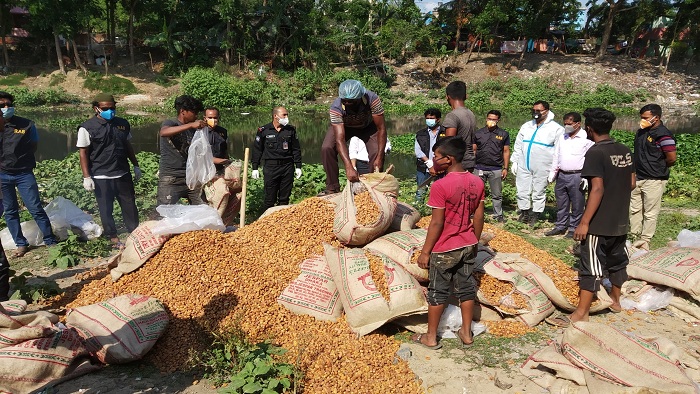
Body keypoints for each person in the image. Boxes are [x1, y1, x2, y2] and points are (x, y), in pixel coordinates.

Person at [549, 108, 635, 327]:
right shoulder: (624, 149)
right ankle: (615, 301)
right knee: (617, 262)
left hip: (600, 222)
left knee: (590, 267)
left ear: (588, 128)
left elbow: (596, 189)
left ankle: (581, 312)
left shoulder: (596, 153)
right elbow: (632, 183)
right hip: (621, 220)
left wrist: (584, 222)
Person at [413, 136, 485, 349]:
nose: (434, 160)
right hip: (468, 244)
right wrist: (475, 241)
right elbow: (479, 217)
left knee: (438, 292)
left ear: (449, 159)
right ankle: (466, 332)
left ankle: (431, 337)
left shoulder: (441, 186)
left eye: (436, 157)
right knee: (466, 289)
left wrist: (426, 252)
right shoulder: (477, 181)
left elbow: (436, 223)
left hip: (445, 247)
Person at [77, 93, 141, 248]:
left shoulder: (122, 124)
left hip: (122, 173)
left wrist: (135, 165)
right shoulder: (87, 127)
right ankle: (112, 236)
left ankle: (135, 233)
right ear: (96, 108)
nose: (110, 111)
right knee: (106, 208)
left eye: (112, 108)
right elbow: (83, 152)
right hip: (101, 175)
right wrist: (87, 176)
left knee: (130, 205)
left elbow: (128, 146)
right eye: (105, 108)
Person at [0, 91, 58, 257]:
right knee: (10, 211)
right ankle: (20, 244)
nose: (6, 108)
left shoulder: (26, 124)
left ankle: (50, 240)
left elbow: (33, 145)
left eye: (8, 105)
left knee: (35, 207)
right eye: (2, 105)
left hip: (24, 173)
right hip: (3, 175)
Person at [320, 79, 386, 195]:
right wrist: (349, 167)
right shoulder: (336, 107)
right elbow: (339, 139)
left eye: (351, 101)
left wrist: (380, 157)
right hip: (345, 127)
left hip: (367, 127)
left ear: (360, 98)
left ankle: (372, 187)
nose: (347, 103)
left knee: (376, 151)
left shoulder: (372, 99)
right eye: (345, 101)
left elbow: (381, 129)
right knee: (327, 147)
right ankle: (332, 187)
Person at [629, 104, 676, 251]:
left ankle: (645, 239)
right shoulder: (641, 132)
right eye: (641, 118)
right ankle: (634, 235)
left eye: (645, 118)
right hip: (638, 176)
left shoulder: (664, 134)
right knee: (634, 208)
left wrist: (657, 167)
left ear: (656, 117)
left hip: (655, 178)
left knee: (650, 211)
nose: (642, 120)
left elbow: (671, 158)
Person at [511, 100, 564, 226]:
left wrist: (554, 169)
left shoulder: (556, 129)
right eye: (534, 110)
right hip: (524, 163)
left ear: (546, 111)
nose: (536, 113)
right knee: (522, 189)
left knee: (539, 190)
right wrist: (515, 161)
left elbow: (558, 150)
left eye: (539, 111)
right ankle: (524, 212)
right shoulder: (527, 125)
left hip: (543, 164)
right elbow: (518, 144)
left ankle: (536, 214)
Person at [545, 112, 594, 238]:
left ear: (578, 124)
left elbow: (591, 158)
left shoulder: (587, 138)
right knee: (561, 203)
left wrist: (586, 176)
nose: (567, 126)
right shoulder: (563, 137)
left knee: (577, 203)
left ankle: (573, 228)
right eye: (565, 124)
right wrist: (552, 173)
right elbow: (557, 155)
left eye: (570, 124)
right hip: (562, 174)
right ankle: (560, 226)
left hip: (577, 175)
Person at [251, 106, 302, 212]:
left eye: (287, 114)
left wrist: (298, 166)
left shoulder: (290, 130)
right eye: (284, 115)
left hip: (287, 166)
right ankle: (265, 222)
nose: (287, 117)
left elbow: (296, 149)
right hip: (271, 167)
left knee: (284, 199)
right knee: (269, 199)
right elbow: (257, 150)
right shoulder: (263, 130)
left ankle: (282, 224)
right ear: (275, 116)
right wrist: (255, 167)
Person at [157, 95, 206, 205]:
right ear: (183, 111)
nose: (196, 115)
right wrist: (190, 126)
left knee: (203, 209)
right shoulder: (171, 123)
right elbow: (164, 132)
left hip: (191, 177)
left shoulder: (193, 129)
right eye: (194, 112)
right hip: (171, 178)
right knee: (165, 213)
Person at [473, 110, 510, 222]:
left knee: (497, 194)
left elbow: (506, 151)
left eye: (494, 119)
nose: (491, 121)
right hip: (479, 167)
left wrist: (506, 168)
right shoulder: (478, 133)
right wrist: (471, 166)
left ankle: (498, 215)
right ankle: (473, 213)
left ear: (498, 120)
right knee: (476, 193)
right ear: (486, 118)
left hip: (496, 169)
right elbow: (474, 150)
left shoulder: (503, 134)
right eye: (489, 118)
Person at [443, 81, 477, 171]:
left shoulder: (453, 116)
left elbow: (449, 143)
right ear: (465, 96)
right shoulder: (470, 114)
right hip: (470, 161)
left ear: (447, 97)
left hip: (458, 164)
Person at [414, 108, 446, 202]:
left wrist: (437, 165)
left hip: (441, 168)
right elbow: (418, 151)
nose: (429, 120)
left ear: (438, 119)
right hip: (424, 167)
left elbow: (448, 150)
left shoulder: (445, 132)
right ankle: (419, 211)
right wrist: (429, 163)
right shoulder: (420, 134)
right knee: (420, 192)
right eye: (427, 118)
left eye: (432, 118)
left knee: (440, 192)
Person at [203, 107, 231, 174]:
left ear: (218, 118)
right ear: (205, 118)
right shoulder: (201, 132)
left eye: (215, 118)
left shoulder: (223, 131)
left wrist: (227, 163)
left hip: (219, 168)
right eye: (210, 118)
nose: (213, 120)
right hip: (204, 169)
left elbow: (225, 150)